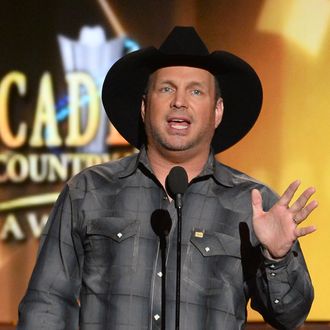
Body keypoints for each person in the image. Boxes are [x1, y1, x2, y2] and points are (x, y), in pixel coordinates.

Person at [17, 26, 317, 330]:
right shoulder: (89, 190)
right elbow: (46, 305)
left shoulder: (252, 203)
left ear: (217, 111)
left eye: (196, 91)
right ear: (145, 107)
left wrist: (277, 257)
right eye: (166, 89)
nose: (179, 102)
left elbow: (290, 317)